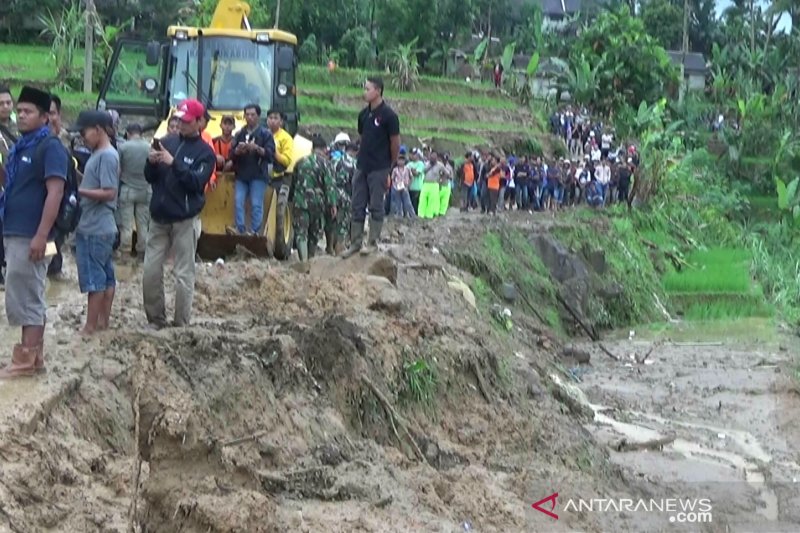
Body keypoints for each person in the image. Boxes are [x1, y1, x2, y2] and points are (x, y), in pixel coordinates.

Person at [0, 87, 66, 378]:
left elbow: (55, 191)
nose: (20, 116)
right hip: (16, 229)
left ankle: (26, 359)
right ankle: (33, 357)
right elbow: (13, 183)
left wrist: (42, 234)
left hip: (31, 233)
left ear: (43, 116)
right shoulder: (21, 146)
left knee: (26, 293)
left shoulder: (49, 147)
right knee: (24, 291)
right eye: (20, 111)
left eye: (27, 112)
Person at [143, 99, 215, 328]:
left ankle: (181, 322)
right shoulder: (167, 142)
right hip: (159, 217)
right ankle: (156, 319)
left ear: (200, 122)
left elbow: (196, 182)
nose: (180, 124)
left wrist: (174, 163)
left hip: (185, 218)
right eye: (178, 120)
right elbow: (150, 178)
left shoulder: (206, 153)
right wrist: (152, 162)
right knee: (150, 271)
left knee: (184, 273)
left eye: (186, 121)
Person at [72, 111, 119, 335]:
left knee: (95, 282)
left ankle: (90, 328)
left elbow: (109, 192)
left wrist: (79, 190)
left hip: (95, 227)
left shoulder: (107, 156)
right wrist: (77, 177)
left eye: (84, 132)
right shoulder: (99, 154)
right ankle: (102, 325)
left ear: (98, 129)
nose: (82, 138)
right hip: (102, 226)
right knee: (107, 278)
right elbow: (96, 184)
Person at [342, 77, 400, 258]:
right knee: (357, 205)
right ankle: (355, 242)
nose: (364, 92)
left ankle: (372, 242)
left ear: (378, 91)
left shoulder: (389, 116)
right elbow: (363, 137)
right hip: (362, 165)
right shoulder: (363, 115)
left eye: (367, 89)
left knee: (376, 205)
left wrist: (389, 165)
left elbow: (395, 143)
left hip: (379, 167)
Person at [229, 104, 275, 235]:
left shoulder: (265, 134)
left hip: (258, 175)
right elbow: (231, 155)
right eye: (247, 115)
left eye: (252, 115)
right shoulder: (239, 134)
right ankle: (240, 228)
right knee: (238, 202)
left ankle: (255, 231)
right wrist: (237, 151)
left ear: (258, 117)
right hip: (242, 174)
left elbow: (271, 155)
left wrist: (257, 149)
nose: (249, 117)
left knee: (256, 204)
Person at [292, 135, 337, 268]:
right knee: (314, 233)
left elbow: (294, 182)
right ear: (324, 149)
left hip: (300, 202)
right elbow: (330, 186)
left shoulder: (300, 162)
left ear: (312, 148)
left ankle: (303, 261)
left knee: (301, 232)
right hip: (317, 204)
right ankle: (310, 261)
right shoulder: (326, 164)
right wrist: (333, 204)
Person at [117, 123, 151, 258]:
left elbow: (118, 170)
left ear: (128, 132)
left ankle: (125, 254)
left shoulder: (123, 147)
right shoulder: (149, 147)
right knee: (143, 225)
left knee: (126, 225)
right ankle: (142, 254)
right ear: (141, 133)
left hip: (127, 189)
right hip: (145, 189)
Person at [0, 86, 18, 285]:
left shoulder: (20, 125)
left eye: (8, 102)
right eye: (1, 104)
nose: (5, 107)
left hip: (19, 189)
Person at [328, 142, 356, 254]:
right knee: (343, 224)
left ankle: (329, 247)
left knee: (331, 221)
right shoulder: (354, 163)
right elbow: (356, 183)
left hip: (332, 194)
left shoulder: (334, 160)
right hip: (345, 196)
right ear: (354, 152)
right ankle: (339, 249)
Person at [418, 151, 444, 219]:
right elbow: (423, 171)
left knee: (432, 201)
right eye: (431, 156)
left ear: (437, 158)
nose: (432, 158)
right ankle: (421, 215)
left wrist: (441, 180)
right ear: (429, 157)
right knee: (422, 199)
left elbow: (446, 173)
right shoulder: (426, 164)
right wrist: (430, 165)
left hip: (434, 184)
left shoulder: (440, 165)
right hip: (425, 184)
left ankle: (429, 215)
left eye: (434, 157)